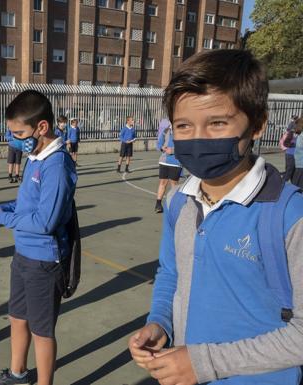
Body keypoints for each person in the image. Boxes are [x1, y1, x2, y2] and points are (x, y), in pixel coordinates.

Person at [129, 49, 303, 385]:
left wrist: (202, 363)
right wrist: (160, 323)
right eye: (184, 125)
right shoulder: (180, 201)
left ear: (257, 124)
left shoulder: (290, 216)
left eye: (217, 123)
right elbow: (171, 272)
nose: (198, 138)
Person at [0, 90, 77, 385]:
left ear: (41, 127)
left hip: (44, 262)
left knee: (42, 331)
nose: (13, 138)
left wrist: (0, 218)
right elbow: (25, 205)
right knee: (18, 318)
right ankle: (17, 374)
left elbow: (44, 222)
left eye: (18, 132)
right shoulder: (34, 156)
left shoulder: (55, 165)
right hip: (23, 255)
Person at [154, 118, 182, 214]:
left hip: (176, 162)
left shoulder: (181, 132)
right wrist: (162, 147)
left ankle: (174, 205)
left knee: (174, 184)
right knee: (162, 182)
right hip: (164, 161)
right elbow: (158, 144)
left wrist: (173, 150)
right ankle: (158, 204)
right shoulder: (166, 131)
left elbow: (185, 146)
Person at [280, 115, 298, 182]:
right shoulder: (293, 133)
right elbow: (286, 143)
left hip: (293, 155)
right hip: (291, 154)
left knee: (293, 173)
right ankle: (280, 185)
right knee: (289, 173)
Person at [292, 118, 303, 188]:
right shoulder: (301, 135)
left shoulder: (300, 135)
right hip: (301, 163)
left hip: (299, 162)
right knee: (297, 185)